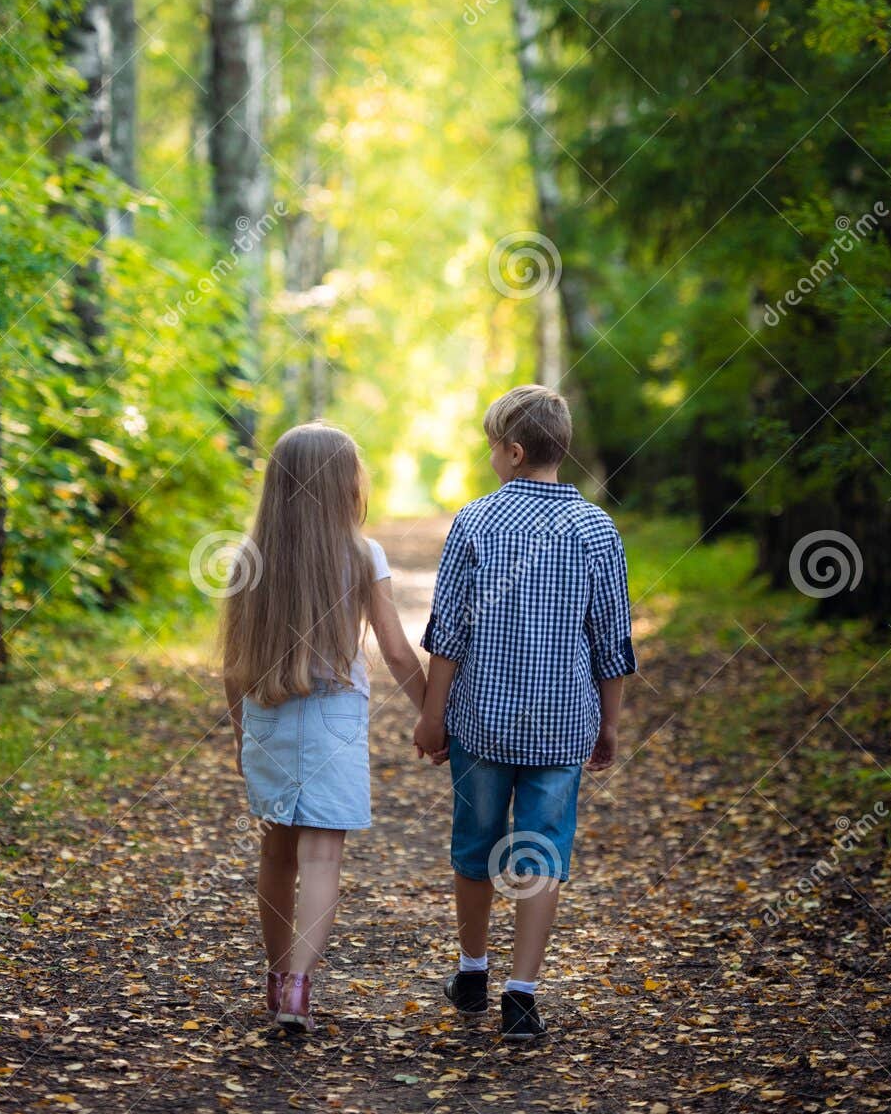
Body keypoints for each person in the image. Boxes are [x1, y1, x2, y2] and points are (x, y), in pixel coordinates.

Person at [413, 385, 636, 1041]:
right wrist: (609, 724)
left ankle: (472, 970)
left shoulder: (476, 522)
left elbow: (447, 634)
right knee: (540, 852)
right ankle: (521, 997)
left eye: (491, 447)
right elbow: (612, 642)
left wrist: (432, 716)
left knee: (475, 847)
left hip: (480, 721)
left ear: (512, 451)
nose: (489, 458)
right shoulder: (597, 528)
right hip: (562, 723)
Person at [223, 422, 426, 1031]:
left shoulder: (247, 557)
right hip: (334, 713)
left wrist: (241, 736)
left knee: (276, 851)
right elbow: (394, 652)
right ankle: (299, 987)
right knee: (320, 858)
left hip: (268, 712)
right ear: (346, 483)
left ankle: (276, 973)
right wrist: (432, 715)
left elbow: (233, 665)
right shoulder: (363, 554)